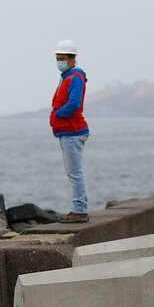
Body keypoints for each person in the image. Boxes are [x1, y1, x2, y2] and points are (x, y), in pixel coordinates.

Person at [51, 39, 90, 223]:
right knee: (73, 172)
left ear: (72, 59)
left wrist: (58, 114)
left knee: (75, 173)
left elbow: (74, 103)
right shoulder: (67, 77)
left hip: (72, 131)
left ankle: (80, 210)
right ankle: (79, 208)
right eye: (58, 58)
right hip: (67, 131)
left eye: (63, 58)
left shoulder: (75, 78)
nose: (60, 61)